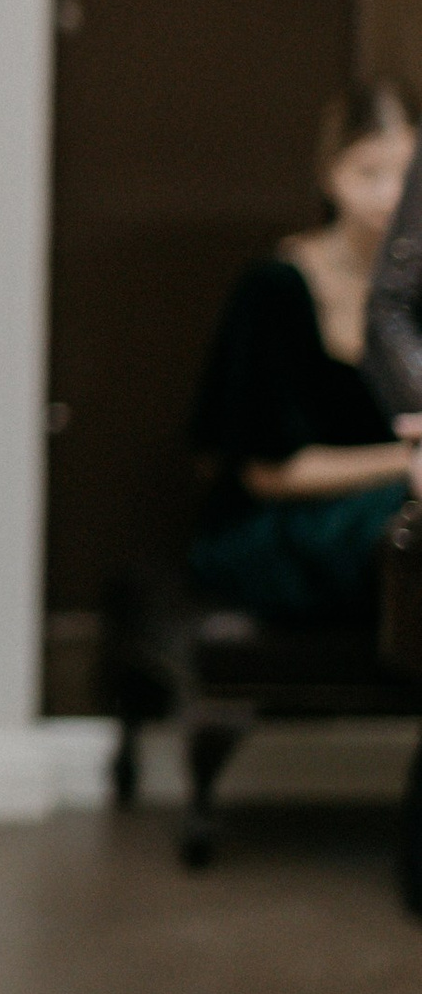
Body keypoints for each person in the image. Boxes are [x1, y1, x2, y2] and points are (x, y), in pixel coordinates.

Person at [193, 80, 417, 621]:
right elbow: (267, 473)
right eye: (368, 172)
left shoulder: (410, 288)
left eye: (409, 174)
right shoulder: (275, 289)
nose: (391, 194)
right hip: (277, 531)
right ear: (330, 174)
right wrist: (407, 462)